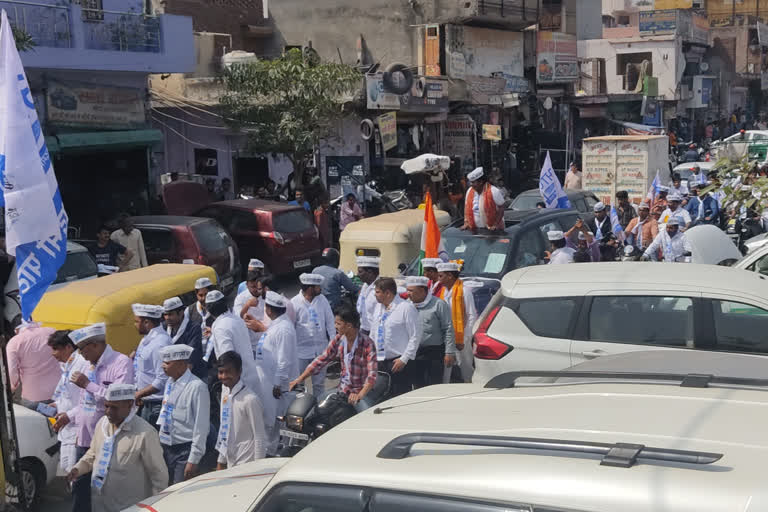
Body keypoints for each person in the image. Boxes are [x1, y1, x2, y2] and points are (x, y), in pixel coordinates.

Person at [62, 323, 133, 512]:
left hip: (109, 439)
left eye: (82, 349)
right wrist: (69, 417)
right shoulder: (87, 364)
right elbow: (85, 403)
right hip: (84, 438)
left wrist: (88, 384)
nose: (80, 354)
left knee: (108, 490)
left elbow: (119, 400)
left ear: (95, 345)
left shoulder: (121, 363)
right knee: (80, 489)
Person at [68, 383, 167, 512]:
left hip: (129, 507)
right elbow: (93, 453)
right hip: (100, 503)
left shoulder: (145, 434)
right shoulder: (102, 424)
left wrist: (156, 506)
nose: (108, 412)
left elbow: (159, 476)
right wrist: (77, 469)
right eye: (106, 406)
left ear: (130, 405)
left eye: (114, 408)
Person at [290, 305, 378, 411]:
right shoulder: (339, 339)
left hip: (361, 392)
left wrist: (359, 395)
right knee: (315, 409)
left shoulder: (367, 343)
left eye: (338, 324)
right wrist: (299, 379)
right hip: (342, 390)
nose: (335, 326)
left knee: (368, 416)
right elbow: (322, 359)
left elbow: (372, 375)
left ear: (349, 325)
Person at [253, 291, 299, 455]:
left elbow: (284, 360)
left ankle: (276, 453)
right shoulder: (276, 325)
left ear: (269, 310)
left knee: (277, 421)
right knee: (270, 420)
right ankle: (270, 450)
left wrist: (278, 384)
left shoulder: (283, 329)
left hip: (276, 385)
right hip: (267, 382)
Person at [157, 345, 210, 485]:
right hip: (166, 447)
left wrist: (193, 459)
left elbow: (201, 427)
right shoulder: (170, 382)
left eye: (168, 363)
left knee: (179, 492)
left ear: (181, 365)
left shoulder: (197, 387)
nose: (163, 366)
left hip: (184, 451)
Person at [215, 351, 267, 469]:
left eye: (228, 372)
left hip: (247, 464)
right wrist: (221, 461)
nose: (223, 376)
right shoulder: (226, 396)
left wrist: (257, 468)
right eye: (221, 372)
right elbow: (224, 430)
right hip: (231, 462)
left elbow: (260, 437)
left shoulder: (250, 400)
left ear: (239, 372)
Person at [370, 278, 422, 396]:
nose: (375, 295)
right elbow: (373, 332)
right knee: (381, 396)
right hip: (380, 361)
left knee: (399, 395)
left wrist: (404, 359)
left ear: (387, 293)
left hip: (398, 362)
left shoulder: (406, 308)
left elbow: (415, 335)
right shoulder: (379, 308)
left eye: (377, 292)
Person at [48, 330, 89, 474]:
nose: (53, 354)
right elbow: (67, 393)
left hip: (77, 429)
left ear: (68, 347)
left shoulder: (82, 364)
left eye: (55, 349)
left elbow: (88, 400)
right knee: (66, 469)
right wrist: (57, 405)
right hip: (66, 427)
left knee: (74, 472)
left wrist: (69, 415)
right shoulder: (67, 365)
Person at [205, 290, 260, 392]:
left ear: (208, 309)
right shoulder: (236, 319)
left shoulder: (220, 328)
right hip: (250, 376)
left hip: (237, 384)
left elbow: (227, 359)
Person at [406, 276, 456, 387]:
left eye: (411, 291)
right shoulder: (407, 305)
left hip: (434, 352)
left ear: (422, 290)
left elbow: (448, 328)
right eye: (407, 290)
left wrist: (449, 352)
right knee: (416, 384)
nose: (408, 293)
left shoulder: (439, 304)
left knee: (434, 385)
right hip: (414, 352)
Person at [292, 273, 336, 394]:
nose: (320, 289)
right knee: (299, 384)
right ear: (310, 288)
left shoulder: (322, 300)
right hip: (301, 352)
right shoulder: (294, 303)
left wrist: (333, 343)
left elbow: (330, 322)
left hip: (320, 350)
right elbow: (291, 327)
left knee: (319, 384)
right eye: (317, 286)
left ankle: (319, 409)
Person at [132, 304, 172, 428]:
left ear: (147, 322)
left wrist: (138, 394)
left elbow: (162, 380)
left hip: (155, 405)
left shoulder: (159, 343)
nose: (134, 325)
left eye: (136, 321)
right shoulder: (146, 340)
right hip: (145, 402)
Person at [436, 264, 476, 383]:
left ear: (449, 276)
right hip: (446, 336)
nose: (438, 279)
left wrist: (464, 338)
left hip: (461, 336)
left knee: (465, 366)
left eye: (440, 276)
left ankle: (472, 388)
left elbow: (471, 315)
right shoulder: (443, 292)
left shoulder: (464, 291)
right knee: (446, 366)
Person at [6, 323, 60, 403]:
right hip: (58, 391)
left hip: (32, 394)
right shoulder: (52, 331)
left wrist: (13, 386)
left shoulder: (14, 342)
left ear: (16, 329)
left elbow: (12, 371)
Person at [162, 297, 206, 381]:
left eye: (170, 314)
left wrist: (179, 382)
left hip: (193, 377)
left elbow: (190, 358)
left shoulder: (193, 328)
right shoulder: (164, 327)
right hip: (173, 376)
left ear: (181, 313)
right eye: (165, 314)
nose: (167, 318)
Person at [461, 167, 505, 232]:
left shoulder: (493, 191)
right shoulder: (469, 191)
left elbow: (501, 207)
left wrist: (495, 224)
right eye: (471, 182)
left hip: (493, 231)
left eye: (473, 182)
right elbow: (466, 207)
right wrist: (466, 222)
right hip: (475, 230)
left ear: (480, 182)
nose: (471, 184)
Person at [234, 268, 267, 352]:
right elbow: (237, 318)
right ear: (246, 285)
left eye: (258, 286)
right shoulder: (240, 298)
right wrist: (247, 305)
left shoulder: (266, 294)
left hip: (267, 340)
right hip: (251, 344)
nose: (256, 290)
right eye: (252, 287)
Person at [356, 256, 381, 335]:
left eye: (360, 272)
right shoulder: (365, 286)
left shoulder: (381, 288)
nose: (357, 274)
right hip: (363, 328)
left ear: (370, 272)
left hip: (374, 332)